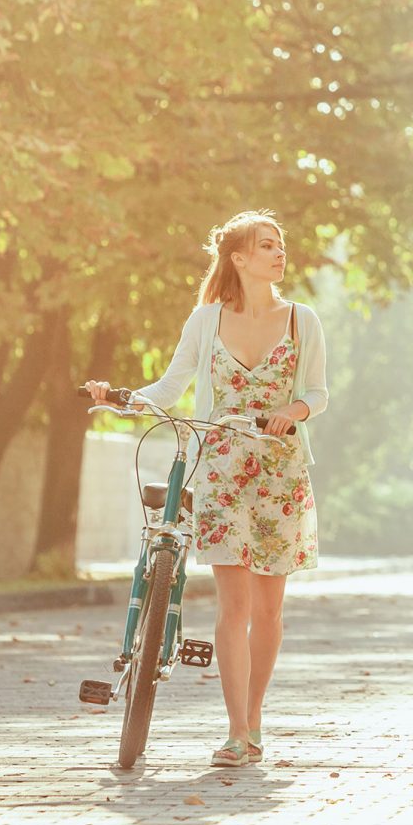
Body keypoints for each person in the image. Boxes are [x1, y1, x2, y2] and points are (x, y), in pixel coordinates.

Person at [86, 210, 328, 767]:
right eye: (266, 246)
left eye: (280, 245)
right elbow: (171, 387)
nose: (278, 253)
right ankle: (236, 730)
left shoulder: (302, 320)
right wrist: (116, 396)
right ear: (238, 258)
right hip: (221, 467)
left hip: (280, 470)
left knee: (268, 609)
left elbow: (318, 391)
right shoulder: (205, 320)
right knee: (232, 606)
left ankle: (255, 716)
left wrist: (294, 409)